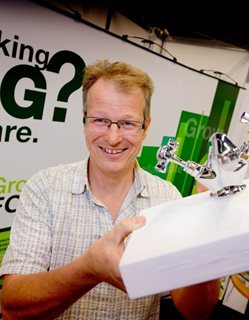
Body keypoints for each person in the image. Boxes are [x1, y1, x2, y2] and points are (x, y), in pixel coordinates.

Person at [0, 60, 219, 320]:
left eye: (127, 123)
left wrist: (207, 238)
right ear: (84, 121)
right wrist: (88, 270)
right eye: (101, 120)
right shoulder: (44, 188)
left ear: (146, 127)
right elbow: (11, 306)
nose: (113, 138)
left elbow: (197, 313)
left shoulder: (168, 198)